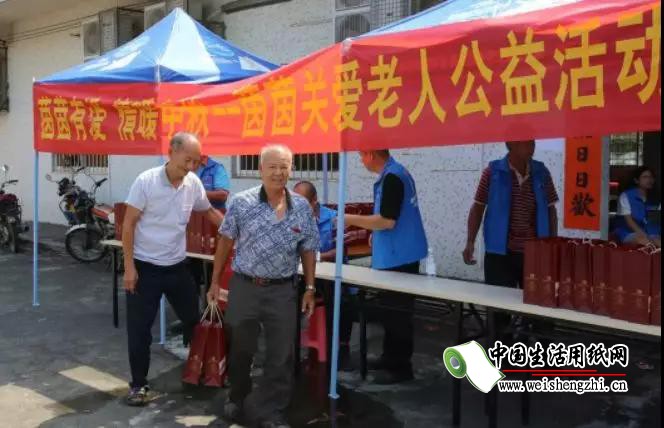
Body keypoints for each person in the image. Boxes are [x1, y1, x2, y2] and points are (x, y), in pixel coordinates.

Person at [207, 145, 319, 428]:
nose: (278, 172)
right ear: (260, 170)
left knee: (281, 354)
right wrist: (214, 281)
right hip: (245, 287)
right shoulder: (241, 203)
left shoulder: (301, 207)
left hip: (283, 290)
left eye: (284, 166)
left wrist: (309, 288)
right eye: (273, 166)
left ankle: (273, 411)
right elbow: (225, 242)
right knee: (241, 348)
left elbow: (308, 248)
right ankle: (238, 396)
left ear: (291, 169)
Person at [121, 132, 223, 406]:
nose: (191, 167)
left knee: (194, 320)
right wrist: (129, 268)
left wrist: (232, 230)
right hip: (145, 268)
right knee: (140, 330)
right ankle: (138, 385)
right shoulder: (146, 181)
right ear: (171, 153)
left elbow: (208, 211)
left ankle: (197, 367)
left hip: (177, 267)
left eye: (196, 162)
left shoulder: (193, 183)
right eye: (187, 160)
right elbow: (128, 224)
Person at [344, 149, 428, 384]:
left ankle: (401, 368)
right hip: (397, 252)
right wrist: (373, 233)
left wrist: (348, 218)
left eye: (362, 155)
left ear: (371, 155)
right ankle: (389, 358)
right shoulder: (394, 173)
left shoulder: (393, 177)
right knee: (391, 311)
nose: (361, 160)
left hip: (400, 256)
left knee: (399, 313)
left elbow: (387, 220)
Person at [463, 140, 558, 339]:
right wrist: (470, 241)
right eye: (526, 143)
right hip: (499, 255)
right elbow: (478, 206)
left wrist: (552, 245)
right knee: (499, 311)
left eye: (532, 143)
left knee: (539, 309)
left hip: (534, 255)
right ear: (511, 145)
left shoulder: (541, 172)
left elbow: (551, 210)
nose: (532, 147)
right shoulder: (492, 172)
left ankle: (536, 351)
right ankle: (502, 352)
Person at [293, 181, 356, 371]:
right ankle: (292, 344)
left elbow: (342, 249)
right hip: (305, 273)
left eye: (303, 202)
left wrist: (317, 256)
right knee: (288, 295)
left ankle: (340, 347)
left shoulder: (334, 219)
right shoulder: (293, 218)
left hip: (330, 274)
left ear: (315, 201)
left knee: (340, 298)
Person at [613, 166, 661, 247]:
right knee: (645, 241)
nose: (649, 180)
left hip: (652, 233)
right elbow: (629, 221)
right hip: (629, 232)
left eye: (651, 177)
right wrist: (646, 236)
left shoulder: (656, 198)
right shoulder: (626, 196)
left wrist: (654, 236)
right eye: (645, 177)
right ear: (636, 180)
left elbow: (656, 220)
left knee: (657, 241)